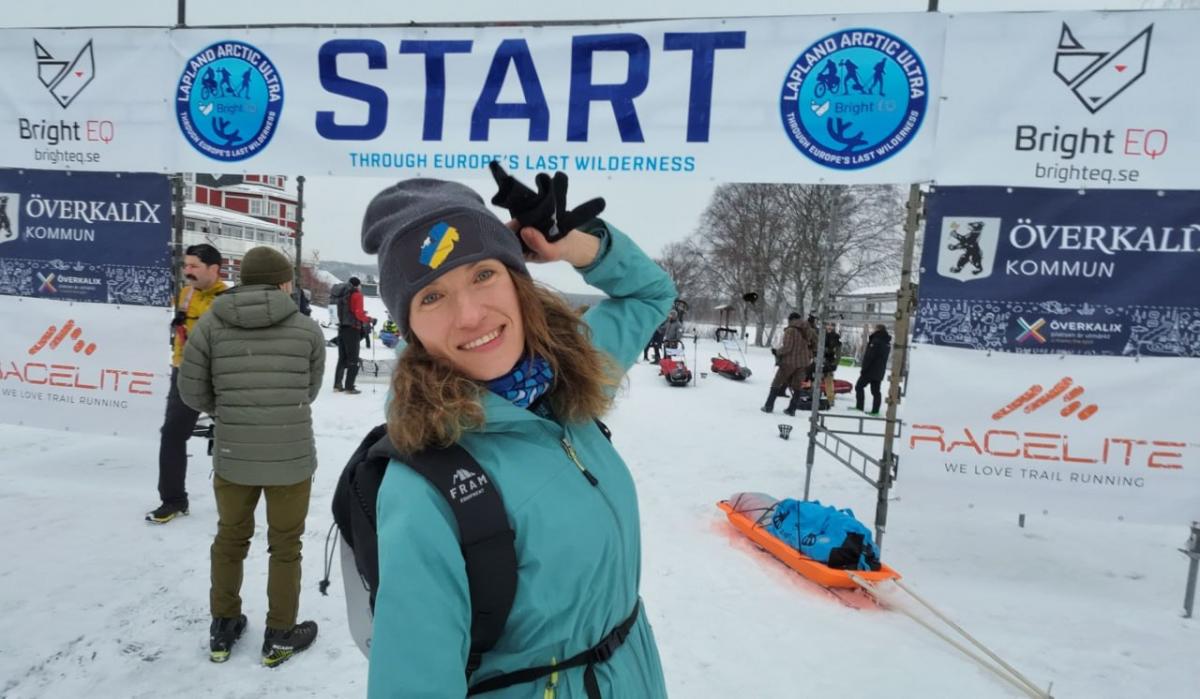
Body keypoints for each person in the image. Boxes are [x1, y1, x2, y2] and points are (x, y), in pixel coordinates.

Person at [361, 178, 671, 697]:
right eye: (432, 295)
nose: (470, 315)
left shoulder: (574, 375)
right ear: (411, 328)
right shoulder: (424, 491)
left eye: (483, 274)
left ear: (518, 282)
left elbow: (651, 292)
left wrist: (570, 245)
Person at [176, 246, 327, 667]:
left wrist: (225, 412)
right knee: (285, 546)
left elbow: (191, 390)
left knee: (230, 538)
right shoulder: (306, 330)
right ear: (284, 283)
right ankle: (279, 634)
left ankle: (222, 627)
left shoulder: (210, 325)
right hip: (291, 457)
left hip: (233, 452)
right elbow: (310, 390)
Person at [145, 243, 228, 524]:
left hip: (220, 377)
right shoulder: (186, 294)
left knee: (235, 439)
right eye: (186, 266)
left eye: (194, 266)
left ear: (214, 269)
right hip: (184, 374)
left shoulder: (229, 299)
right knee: (171, 434)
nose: (187, 272)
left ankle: (237, 503)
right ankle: (173, 500)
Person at [762, 311, 817, 416]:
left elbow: (787, 348)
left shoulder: (790, 330)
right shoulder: (810, 330)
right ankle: (791, 409)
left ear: (790, 320)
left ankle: (768, 406)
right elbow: (815, 345)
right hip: (803, 363)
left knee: (776, 383)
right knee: (797, 386)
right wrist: (808, 353)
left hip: (789, 362)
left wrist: (777, 351)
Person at [330, 276, 372, 394]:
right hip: (352, 330)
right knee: (353, 359)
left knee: (342, 358)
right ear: (358, 285)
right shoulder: (357, 295)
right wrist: (369, 319)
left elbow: (350, 310)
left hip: (341, 328)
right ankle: (349, 387)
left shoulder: (342, 294)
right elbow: (358, 314)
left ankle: (337, 385)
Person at [854, 324, 892, 416]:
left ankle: (859, 407)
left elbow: (869, 357)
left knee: (859, 387)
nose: (872, 330)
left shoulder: (875, 341)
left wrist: (864, 369)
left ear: (878, 329)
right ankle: (875, 411)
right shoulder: (886, 342)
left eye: (873, 328)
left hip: (870, 371)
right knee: (876, 391)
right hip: (879, 371)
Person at [822, 322, 843, 406]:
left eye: (832, 325)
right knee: (814, 379)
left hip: (829, 361)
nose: (829, 327)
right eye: (828, 325)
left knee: (829, 380)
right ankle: (812, 395)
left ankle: (830, 399)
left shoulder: (836, 338)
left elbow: (838, 353)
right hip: (819, 360)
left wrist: (835, 364)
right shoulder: (821, 334)